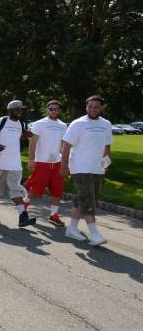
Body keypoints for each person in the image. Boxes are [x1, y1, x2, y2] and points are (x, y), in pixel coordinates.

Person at [61, 95, 112, 246]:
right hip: (80, 167)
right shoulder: (78, 123)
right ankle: (95, 234)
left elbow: (107, 146)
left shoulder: (106, 124)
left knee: (85, 198)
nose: (93, 109)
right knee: (87, 199)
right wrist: (64, 166)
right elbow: (66, 146)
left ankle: (71, 229)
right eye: (90, 106)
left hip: (97, 168)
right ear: (86, 106)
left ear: (102, 108)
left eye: (96, 107)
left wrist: (106, 163)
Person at [0, 100, 36, 227]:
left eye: (21, 109)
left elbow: (16, 138)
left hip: (14, 162)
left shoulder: (20, 123)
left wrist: (25, 135)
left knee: (16, 188)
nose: (20, 111)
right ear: (10, 110)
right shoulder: (1, 121)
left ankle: (23, 216)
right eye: (17, 109)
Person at [23, 100, 68, 227]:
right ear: (47, 110)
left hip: (57, 163)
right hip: (42, 162)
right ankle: (25, 202)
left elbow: (64, 145)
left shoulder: (63, 126)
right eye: (51, 108)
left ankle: (54, 215)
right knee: (36, 190)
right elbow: (33, 142)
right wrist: (31, 159)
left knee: (57, 190)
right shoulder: (39, 124)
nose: (54, 111)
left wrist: (65, 162)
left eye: (56, 109)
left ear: (59, 111)